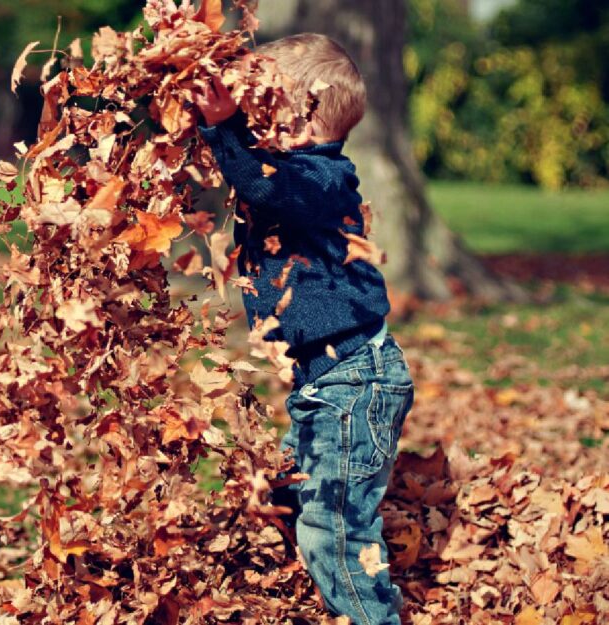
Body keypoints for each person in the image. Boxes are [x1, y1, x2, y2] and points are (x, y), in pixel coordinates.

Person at [193, 33, 415, 625]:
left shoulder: (321, 179)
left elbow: (263, 184)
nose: (249, 119)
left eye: (261, 107)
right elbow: (255, 180)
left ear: (301, 117)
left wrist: (223, 130)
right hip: (327, 386)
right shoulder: (294, 175)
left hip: (353, 383)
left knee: (335, 533)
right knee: (285, 493)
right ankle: (293, 594)